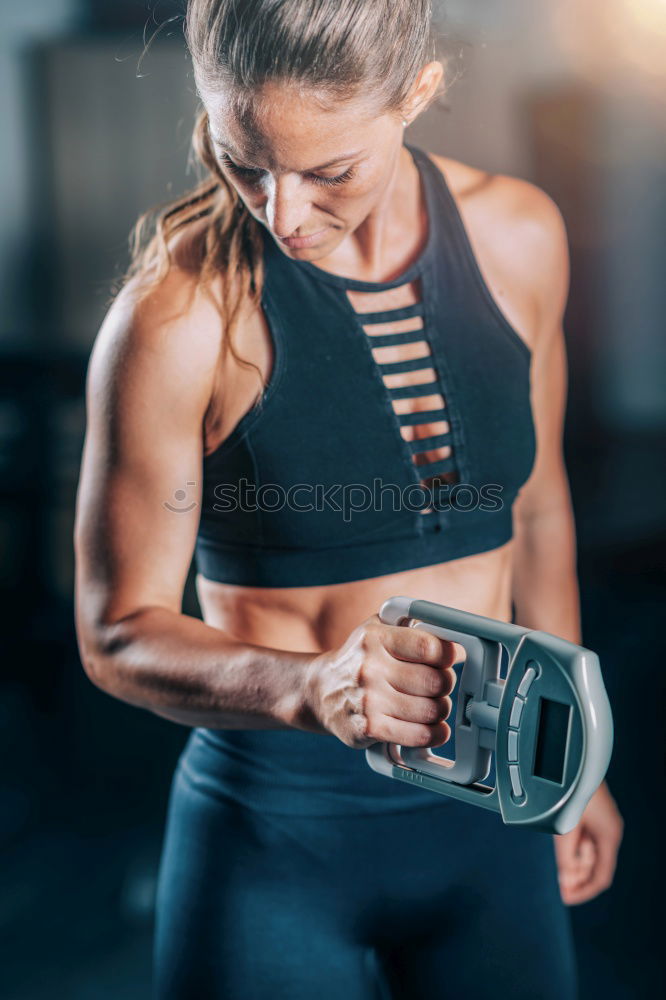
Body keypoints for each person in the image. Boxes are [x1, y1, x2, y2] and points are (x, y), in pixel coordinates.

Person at [73, 1, 624, 997]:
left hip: (496, 821)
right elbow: (114, 633)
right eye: (243, 159)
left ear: (416, 96)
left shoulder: (520, 236)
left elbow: (539, 510)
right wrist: (308, 686)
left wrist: (577, 762)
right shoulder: (176, 317)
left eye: (329, 171)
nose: (281, 212)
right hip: (276, 838)